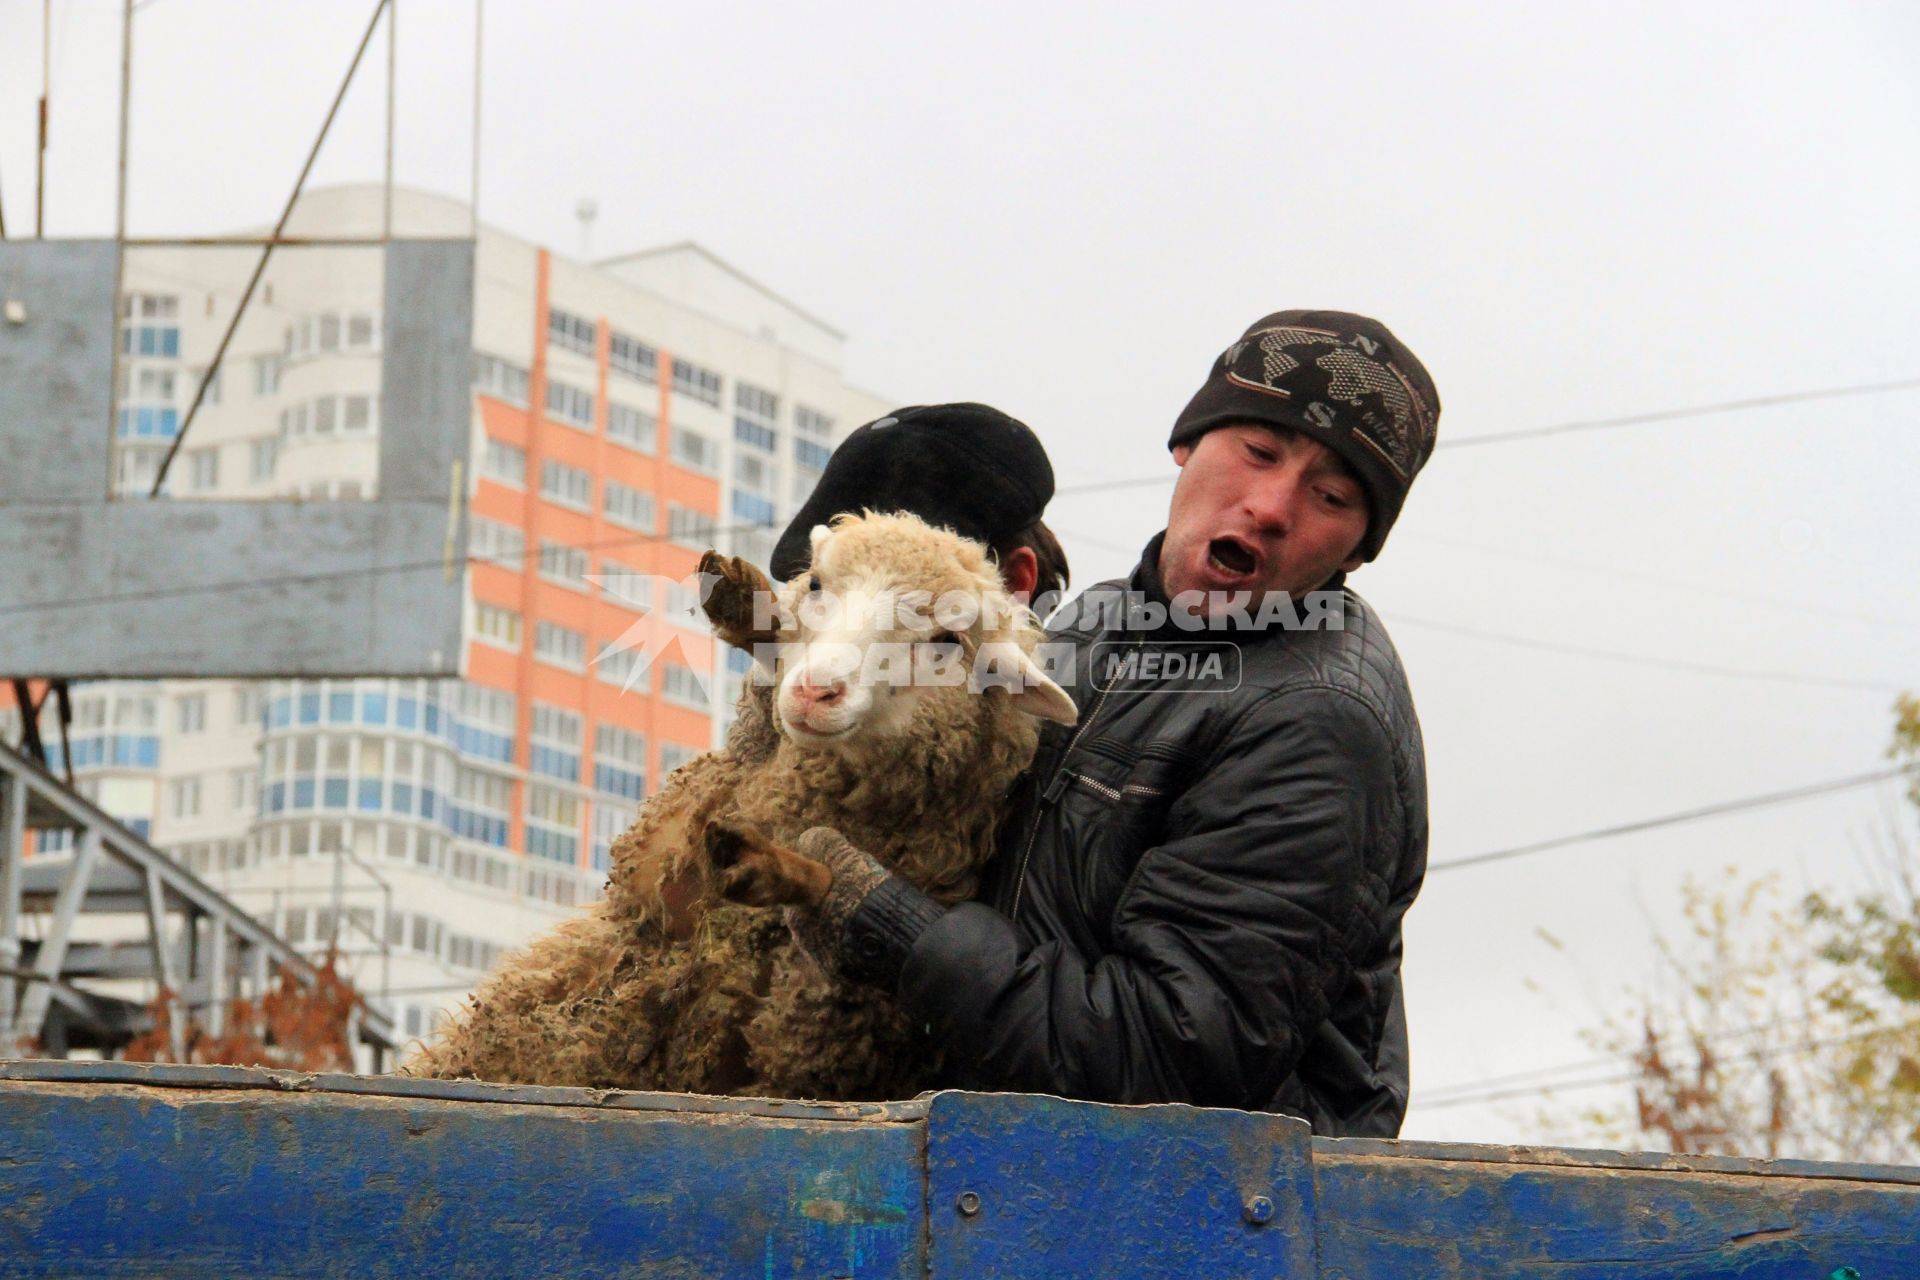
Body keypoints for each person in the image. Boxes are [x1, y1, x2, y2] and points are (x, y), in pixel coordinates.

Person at [768, 310, 1438, 1137]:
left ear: (1356, 551)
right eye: (1258, 453)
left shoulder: (1317, 724)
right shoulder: (1088, 628)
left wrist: (900, 933)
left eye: (1331, 495)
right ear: (1187, 444)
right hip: (1016, 1165)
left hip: (1200, 1224)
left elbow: (1175, 1056)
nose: (1270, 506)